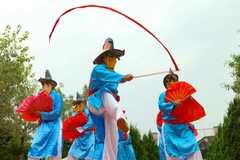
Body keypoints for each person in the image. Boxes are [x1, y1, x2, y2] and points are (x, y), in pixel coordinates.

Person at [87, 37, 134, 159]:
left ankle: (110, 157)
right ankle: (120, 116)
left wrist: (123, 79)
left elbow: (113, 78)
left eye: (114, 58)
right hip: (95, 102)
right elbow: (109, 76)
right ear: (104, 58)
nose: (113, 60)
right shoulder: (97, 70)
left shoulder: (113, 76)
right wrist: (123, 77)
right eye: (110, 56)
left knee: (113, 134)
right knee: (105, 92)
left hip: (108, 109)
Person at [158, 69, 203, 160]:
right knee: (172, 152)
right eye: (168, 81)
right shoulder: (163, 95)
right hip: (170, 128)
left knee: (193, 146)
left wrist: (189, 100)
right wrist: (173, 104)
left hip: (183, 126)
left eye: (173, 80)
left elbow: (189, 109)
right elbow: (161, 106)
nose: (171, 82)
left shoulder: (183, 94)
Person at [28, 69, 63, 160]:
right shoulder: (40, 98)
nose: (43, 87)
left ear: (50, 85)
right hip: (43, 125)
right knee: (34, 147)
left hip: (55, 125)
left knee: (55, 151)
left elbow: (57, 113)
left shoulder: (57, 96)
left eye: (44, 85)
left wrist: (41, 114)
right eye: (42, 85)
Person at [66, 92, 95, 160]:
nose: (77, 105)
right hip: (78, 138)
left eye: (79, 103)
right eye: (76, 104)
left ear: (83, 104)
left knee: (90, 155)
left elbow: (91, 123)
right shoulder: (74, 115)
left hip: (89, 137)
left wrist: (80, 128)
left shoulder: (88, 112)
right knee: (72, 154)